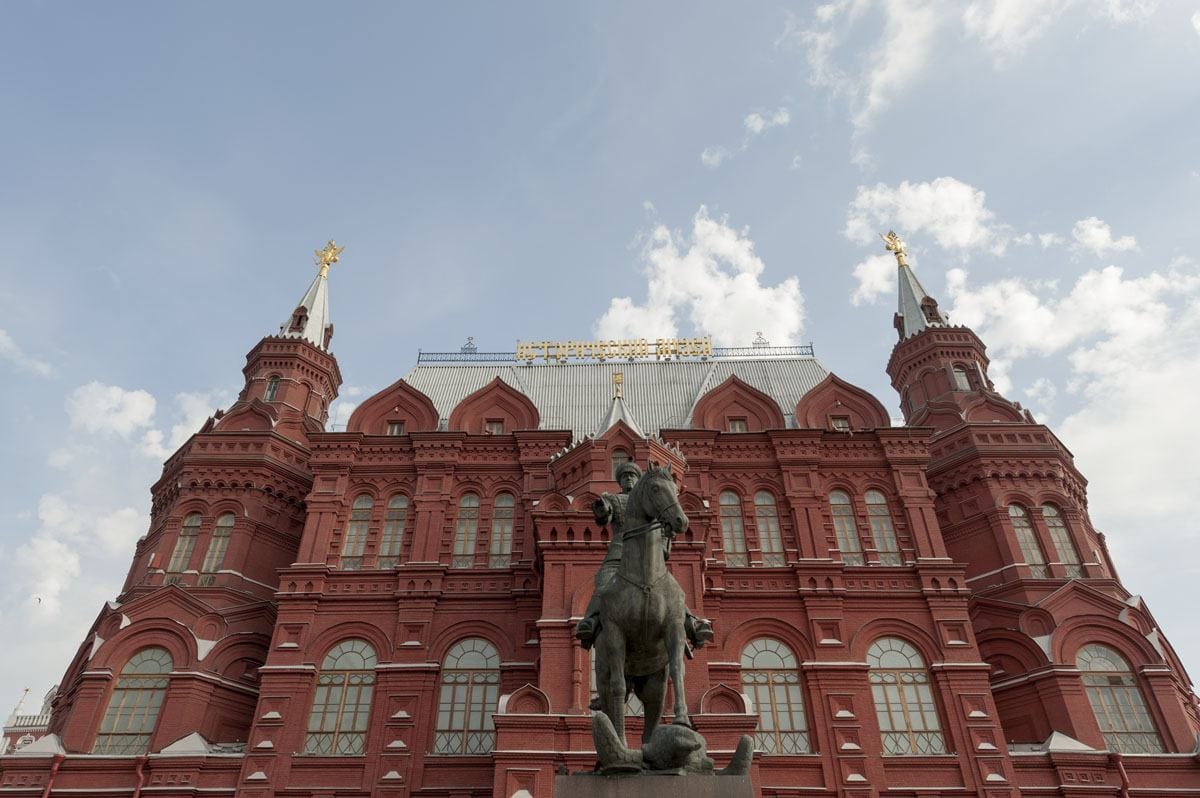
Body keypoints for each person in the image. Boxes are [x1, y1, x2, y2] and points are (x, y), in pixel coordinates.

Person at [574, 461, 714, 652]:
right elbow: (604, 517)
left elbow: (665, 529)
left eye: (632, 476)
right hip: (619, 555)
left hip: (648, 557)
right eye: (624, 477)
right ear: (620, 481)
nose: (629, 479)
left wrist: (668, 536)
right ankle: (590, 622)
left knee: (671, 589)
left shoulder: (651, 502)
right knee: (604, 583)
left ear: (639, 480)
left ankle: (691, 623)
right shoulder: (613, 499)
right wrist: (601, 509)